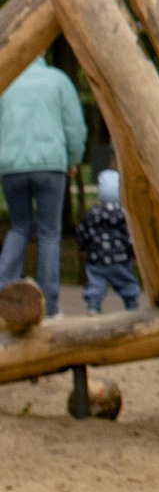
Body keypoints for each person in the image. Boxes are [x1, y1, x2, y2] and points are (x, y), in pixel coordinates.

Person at [0, 49, 90, 316]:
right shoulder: (57, 80)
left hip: (12, 166)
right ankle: (49, 306)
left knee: (19, 227)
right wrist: (73, 158)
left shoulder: (6, 80)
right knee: (50, 232)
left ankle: (3, 290)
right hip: (51, 166)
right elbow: (74, 125)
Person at [76, 167, 141, 314]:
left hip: (96, 258)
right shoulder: (123, 215)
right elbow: (129, 236)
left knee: (95, 282)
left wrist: (82, 248)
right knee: (126, 281)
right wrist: (134, 253)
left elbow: (83, 231)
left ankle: (93, 304)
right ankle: (131, 303)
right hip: (120, 258)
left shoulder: (92, 213)